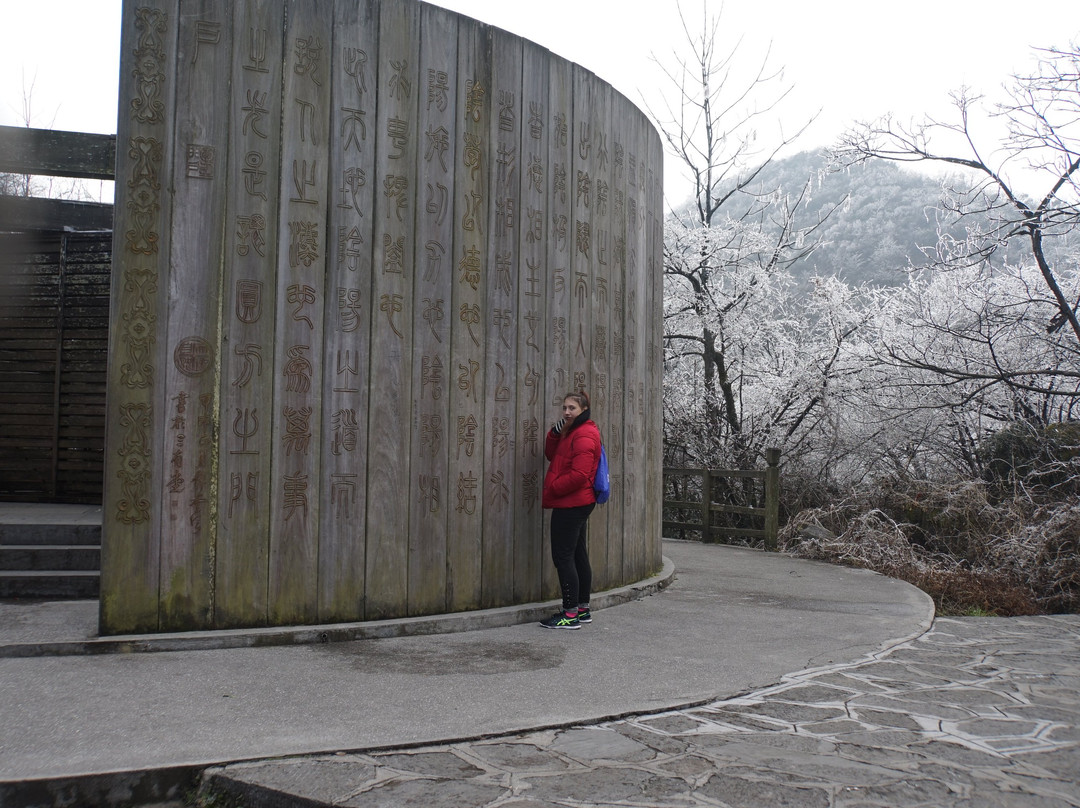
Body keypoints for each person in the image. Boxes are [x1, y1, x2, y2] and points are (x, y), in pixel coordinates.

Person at [540, 390, 602, 629]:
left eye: (572, 409)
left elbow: (579, 475)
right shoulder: (572, 431)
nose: (566, 412)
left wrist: (553, 488)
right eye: (564, 408)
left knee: (563, 557)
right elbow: (551, 455)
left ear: (583, 410)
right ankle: (583, 609)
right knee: (577, 554)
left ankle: (570, 614)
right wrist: (555, 433)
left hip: (572, 502)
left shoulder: (585, 433)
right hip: (575, 501)